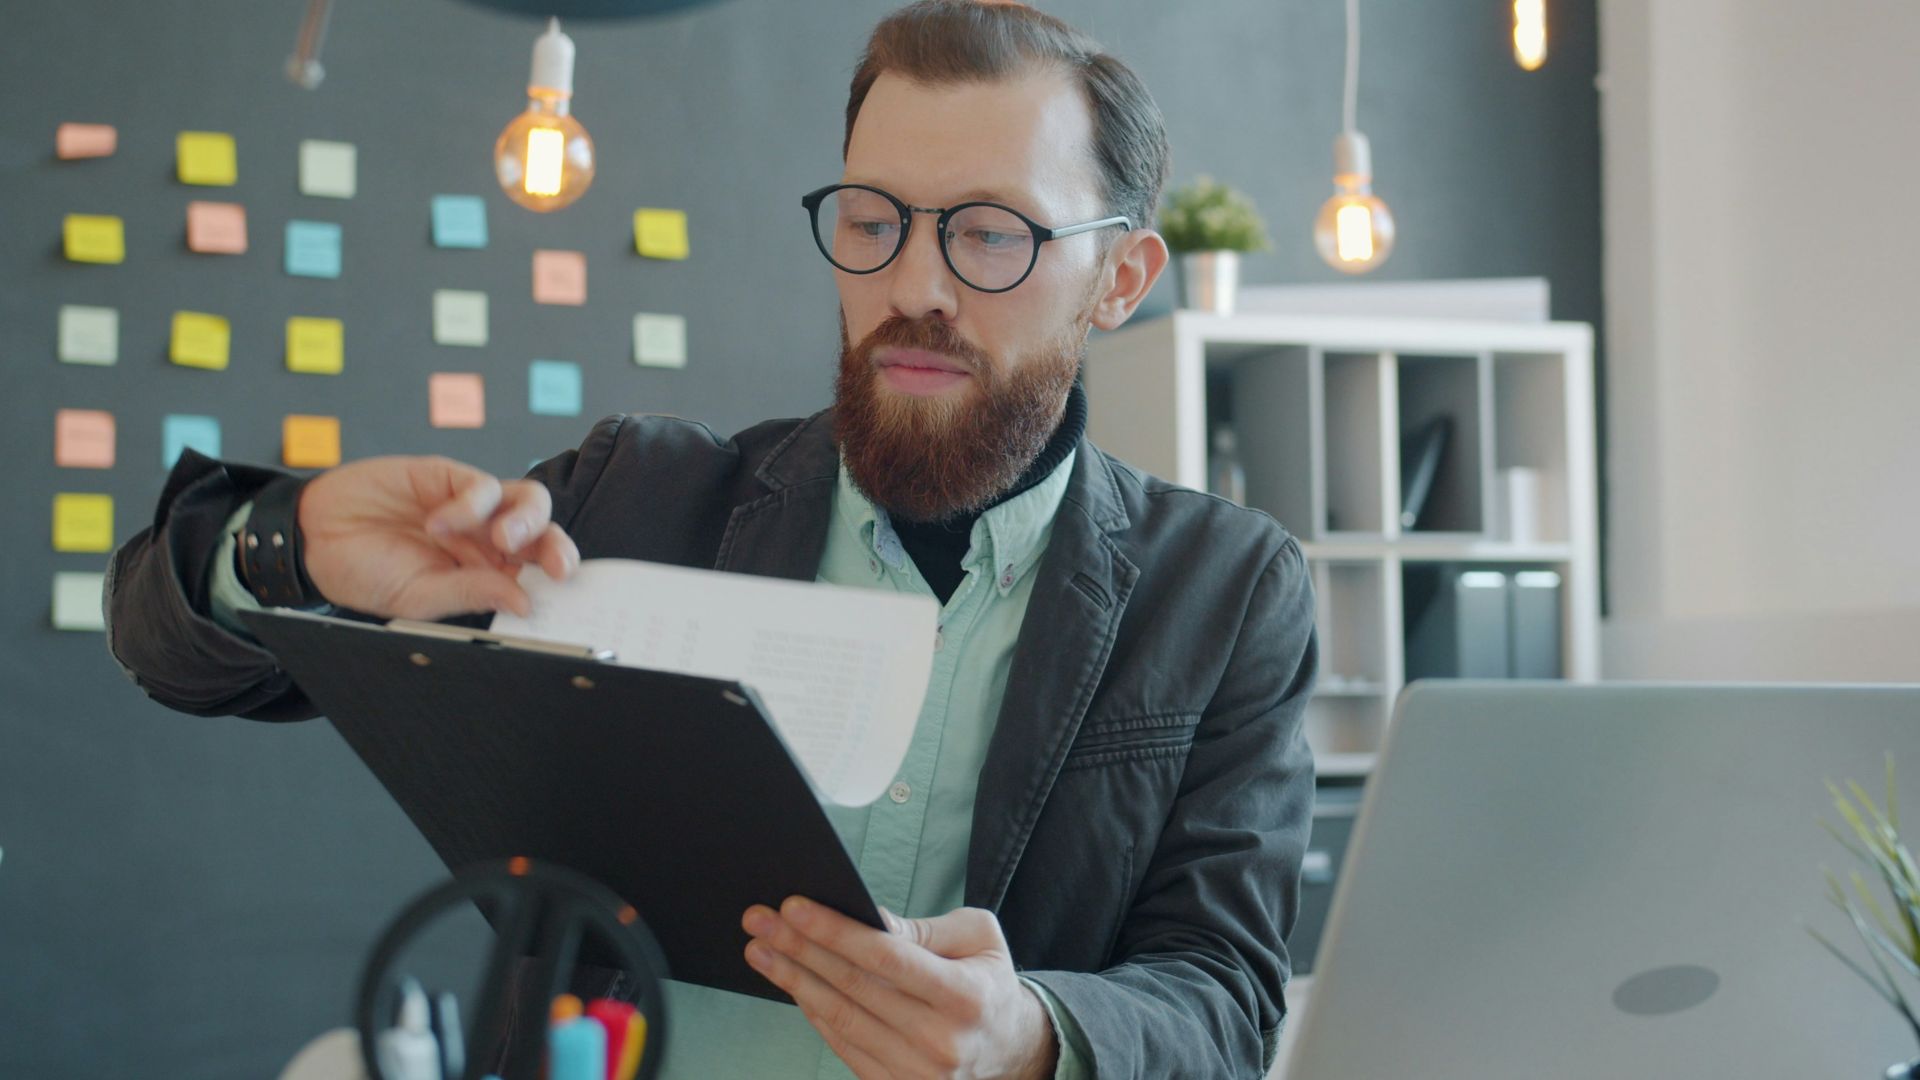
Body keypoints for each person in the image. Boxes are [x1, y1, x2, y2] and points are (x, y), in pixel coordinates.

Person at [105, 2, 1318, 1076]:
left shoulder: (1225, 593)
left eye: (992, 233)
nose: (915, 287)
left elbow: (1226, 1000)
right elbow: (168, 650)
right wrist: (290, 548)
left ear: (1121, 277)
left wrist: (1034, 1040)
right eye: (872, 218)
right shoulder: (634, 499)